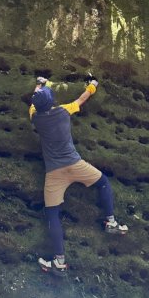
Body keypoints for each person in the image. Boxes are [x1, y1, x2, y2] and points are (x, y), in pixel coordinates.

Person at [29, 75, 128, 276]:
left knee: (52, 213)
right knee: (103, 182)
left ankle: (59, 262)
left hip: (54, 173)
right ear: (53, 100)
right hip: (75, 164)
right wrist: (92, 86)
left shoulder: (35, 117)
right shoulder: (65, 110)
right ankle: (111, 222)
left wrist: (40, 83)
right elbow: (82, 99)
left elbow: (34, 102)